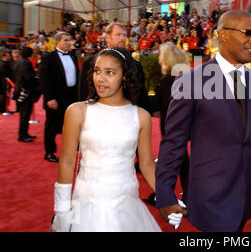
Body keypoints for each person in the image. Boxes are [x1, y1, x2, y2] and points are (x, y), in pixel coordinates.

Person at [155, 10, 251, 232]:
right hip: (208, 197)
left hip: (245, 197)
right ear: (223, 35)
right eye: (248, 33)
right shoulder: (190, 81)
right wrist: (165, 194)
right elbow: (173, 143)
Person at [51, 48, 162, 232]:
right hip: (87, 204)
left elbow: (147, 165)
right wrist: (61, 209)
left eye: (110, 72)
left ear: (125, 77)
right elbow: (68, 161)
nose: (100, 78)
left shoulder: (141, 116)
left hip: (127, 205)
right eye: (97, 71)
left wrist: (166, 197)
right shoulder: (78, 111)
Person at [144, 42, 191, 205]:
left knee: (168, 164)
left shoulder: (166, 82)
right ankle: (188, 195)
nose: (158, 60)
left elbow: (163, 108)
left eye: (160, 57)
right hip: (183, 127)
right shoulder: (186, 78)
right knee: (181, 161)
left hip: (171, 127)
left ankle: (164, 198)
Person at [39, 32, 79, 163]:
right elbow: (44, 80)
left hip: (71, 96)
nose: (69, 42)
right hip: (56, 97)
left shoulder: (73, 56)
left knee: (71, 126)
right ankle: (49, 152)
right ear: (57, 42)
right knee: (51, 125)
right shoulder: (48, 57)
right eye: (65, 40)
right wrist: (50, 98)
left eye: (69, 40)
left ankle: (70, 151)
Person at [13, 47, 40, 142]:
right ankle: (22, 135)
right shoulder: (26, 63)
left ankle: (24, 133)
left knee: (24, 114)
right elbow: (29, 77)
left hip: (19, 89)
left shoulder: (18, 62)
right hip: (25, 91)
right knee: (25, 114)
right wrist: (37, 80)